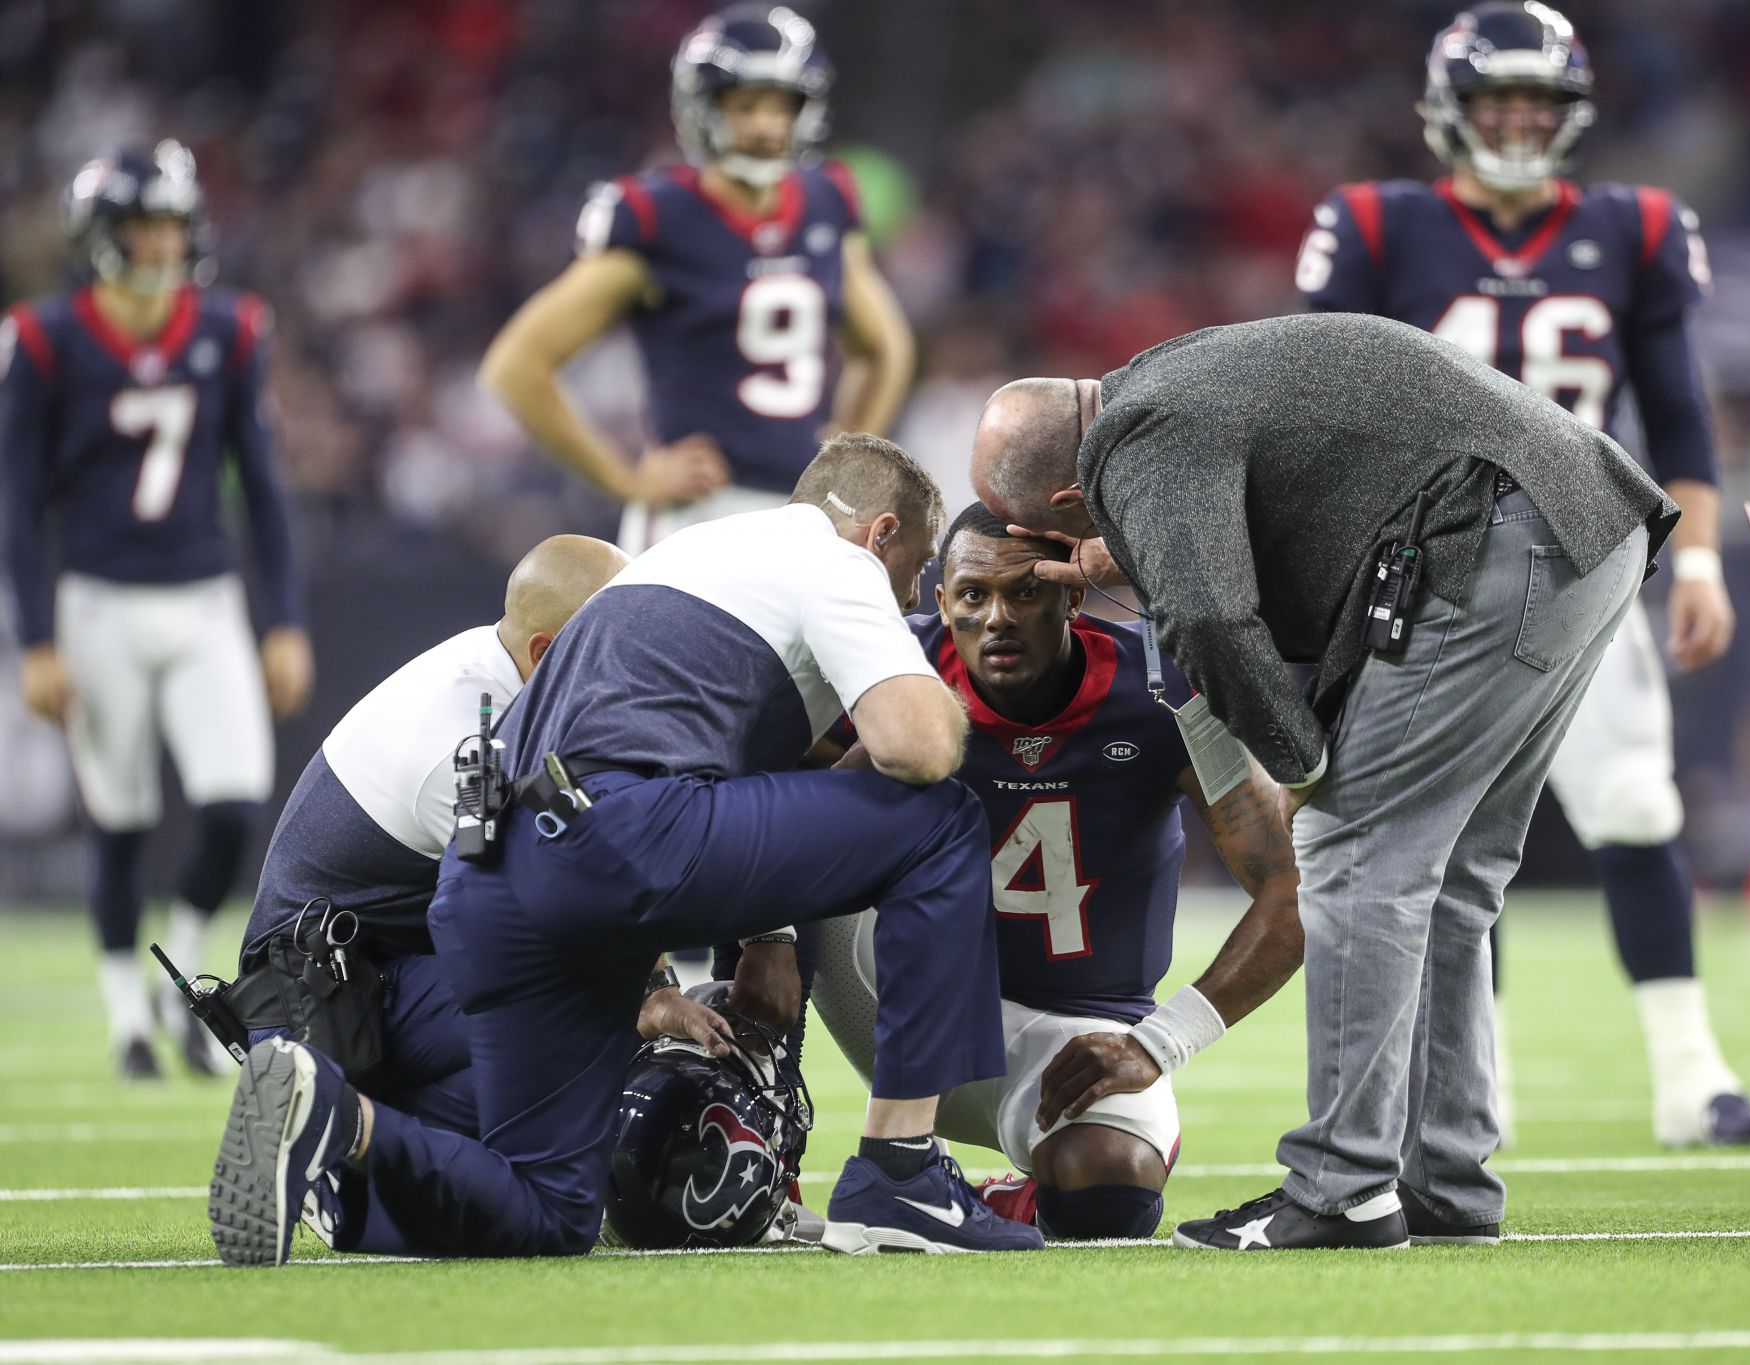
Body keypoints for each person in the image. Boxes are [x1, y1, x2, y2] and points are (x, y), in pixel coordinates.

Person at [207, 433, 1044, 1265]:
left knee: (552, 1212)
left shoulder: (673, 560)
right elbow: (918, 748)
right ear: (882, 533)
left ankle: (337, 1130)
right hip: (573, 859)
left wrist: (768, 934)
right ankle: (900, 1173)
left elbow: (722, 770)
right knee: (942, 818)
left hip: (486, 888)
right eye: (918, 570)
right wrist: (951, 689)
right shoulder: (837, 560)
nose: (911, 596)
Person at [974, 314, 1674, 1250]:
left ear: (1071, 492)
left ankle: (1341, 1186)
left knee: (1350, 855)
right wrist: (1131, 540)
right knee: (1452, 878)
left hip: (1500, 533)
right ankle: (1447, 1181)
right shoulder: (1156, 379)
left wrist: (1302, 759)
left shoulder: (1132, 441)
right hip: (1590, 517)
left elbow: (1212, 615)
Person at [1297, 1, 1750, 1149]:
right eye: (1494, 100)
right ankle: (1474, 1095)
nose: (1515, 121)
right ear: (1446, 110)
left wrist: (1699, 557)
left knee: (1633, 799)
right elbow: (1319, 398)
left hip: (1583, 558)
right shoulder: (1375, 223)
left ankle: (1688, 1074)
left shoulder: (1633, 228)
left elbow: (1673, 409)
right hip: (1424, 571)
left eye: (1535, 101)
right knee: (1443, 832)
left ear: (1570, 113)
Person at [809, 502, 1303, 1242]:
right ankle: (756, 1127)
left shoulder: (1162, 687)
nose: (999, 616)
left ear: (1072, 596)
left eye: (1026, 591)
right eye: (974, 594)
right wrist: (764, 950)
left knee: (1110, 1188)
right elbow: (764, 811)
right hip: (899, 1002)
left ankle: (1006, 1195)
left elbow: (1293, 887)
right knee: (794, 856)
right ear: (941, 602)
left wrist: (1159, 1043)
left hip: (1078, 1035)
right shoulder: (895, 667)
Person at [1, 141, 311, 1079]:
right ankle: (127, 1016)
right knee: (122, 817)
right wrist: (37, 638)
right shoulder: (49, 338)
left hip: (206, 596)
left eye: (172, 224)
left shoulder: (230, 329)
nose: (159, 243)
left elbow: (262, 487)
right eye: (141, 226)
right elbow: (16, 499)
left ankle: (188, 989)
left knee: (232, 803)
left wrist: (284, 616)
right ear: (99, 238)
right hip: (97, 600)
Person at [225, 535, 677, 1166]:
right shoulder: (470, 748)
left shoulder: (500, 675)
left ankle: (369, 1152)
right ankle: (339, 1134)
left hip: (360, 970)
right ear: (547, 650)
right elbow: (545, 897)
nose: (632, 661)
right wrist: (648, 995)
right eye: (612, 642)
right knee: (579, 996)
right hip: (322, 1003)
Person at [480, 3, 915, 553]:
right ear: (702, 108)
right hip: (700, 513)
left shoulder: (826, 201)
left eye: (779, 106)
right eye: (743, 106)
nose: (763, 126)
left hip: (805, 513)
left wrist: (851, 454)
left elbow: (884, 348)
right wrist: (625, 479)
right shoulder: (659, 218)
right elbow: (516, 364)